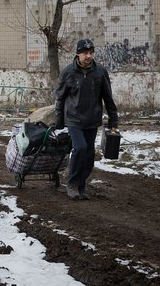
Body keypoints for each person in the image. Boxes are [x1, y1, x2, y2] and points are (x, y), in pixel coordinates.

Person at [55, 38, 119, 200]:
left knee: (89, 155)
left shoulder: (100, 72)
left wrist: (113, 119)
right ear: (78, 54)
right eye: (85, 53)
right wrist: (59, 121)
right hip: (74, 119)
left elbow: (108, 97)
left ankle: (81, 183)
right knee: (80, 148)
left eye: (91, 53)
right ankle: (72, 183)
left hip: (92, 119)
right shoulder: (68, 72)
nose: (89, 56)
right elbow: (60, 98)